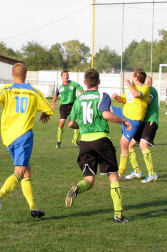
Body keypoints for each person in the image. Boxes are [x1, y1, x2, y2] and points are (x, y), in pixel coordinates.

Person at [0, 63, 54, 218]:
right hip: (24, 135)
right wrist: (44, 114)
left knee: (26, 170)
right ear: (26, 74)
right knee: (19, 172)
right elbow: (49, 110)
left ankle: (33, 207)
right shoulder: (34, 92)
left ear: (12, 75)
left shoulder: (6, 90)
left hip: (8, 138)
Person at [65, 69, 131, 223]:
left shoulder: (79, 99)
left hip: (85, 143)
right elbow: (106, 114)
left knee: (89, 179)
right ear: (99, 82)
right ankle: (118, 215)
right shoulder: (102, 96)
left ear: (85, 82)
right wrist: (124, 121)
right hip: (101, 140)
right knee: (113, 175)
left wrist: (81, 126)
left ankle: (77, 188)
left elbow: (70, 124)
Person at [111, 69, 149, 180]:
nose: (131, 78)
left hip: (133, 120)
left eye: (133, 76)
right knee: (106, 108)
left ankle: (120, 172)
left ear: (136, 78)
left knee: (123, 144)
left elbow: (136, 95)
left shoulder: (144, 88)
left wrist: (128, 83)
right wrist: (116, 97)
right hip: (124, 114)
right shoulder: (130, 88)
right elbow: (122, 100)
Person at [125, 76, 159, 183]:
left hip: (150, 121)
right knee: (129, 145)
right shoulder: (141, 90)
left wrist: (134, 90)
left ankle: (152, 174)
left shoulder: (151, 90)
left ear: (148, 82)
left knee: (143, 145)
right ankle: (137, 171)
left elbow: (148, 100)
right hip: (141, 122)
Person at [51, 71, 84, 148]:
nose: (66, 76)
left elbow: (82, 91)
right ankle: (59, 141)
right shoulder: (59, 86)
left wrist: (83, 99)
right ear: (61, 77)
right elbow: (56, 95)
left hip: (73, 105)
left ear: (68, 76)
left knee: (77, 122)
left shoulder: (74, 84)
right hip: (64, 106)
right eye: (64, 75)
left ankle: (75, 140)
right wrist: (53, 102)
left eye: (67, 75)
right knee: (62, 123)